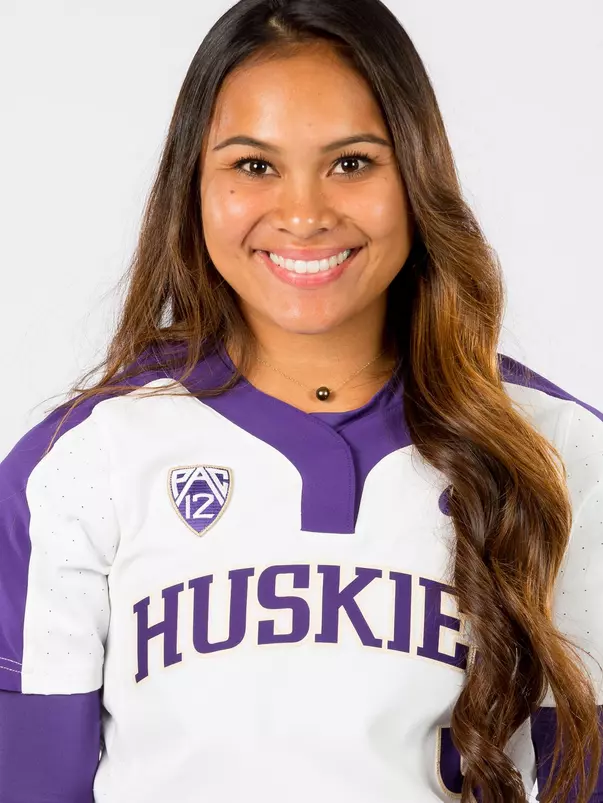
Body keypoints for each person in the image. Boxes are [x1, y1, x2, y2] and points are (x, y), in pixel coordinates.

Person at [0, 0, 601, 801]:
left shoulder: (556, 452)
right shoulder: (79, 463)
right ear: (194, 183)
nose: (304, 214)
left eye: (351, 162)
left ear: (415, 173)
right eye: (253, 165)